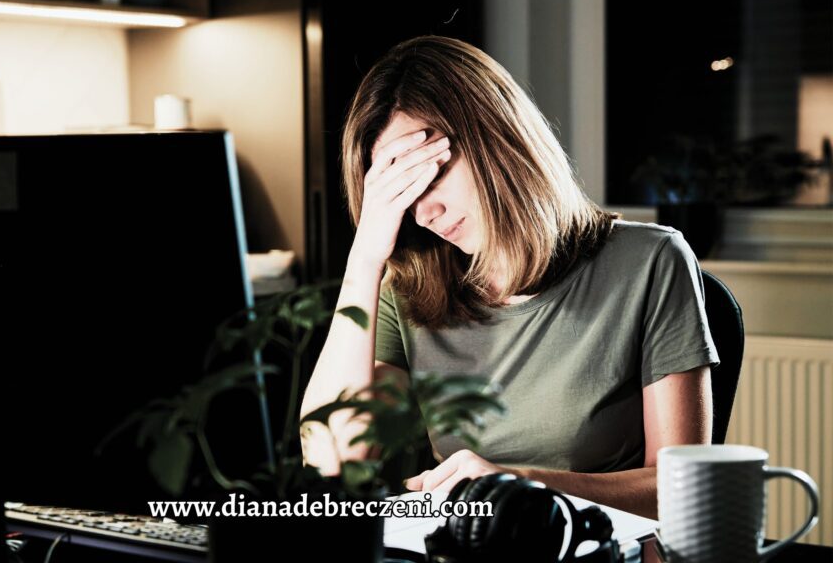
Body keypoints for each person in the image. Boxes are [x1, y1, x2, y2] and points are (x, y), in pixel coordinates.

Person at [299, 35, 717, 519]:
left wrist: (523, 486)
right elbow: (332, 461)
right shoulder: (409, 288)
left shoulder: (650, 261)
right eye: (402, 194)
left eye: (431, 176)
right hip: (463, 545)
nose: (425, 213)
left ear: (497, 139)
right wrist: (365, 259)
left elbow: (683, 488)